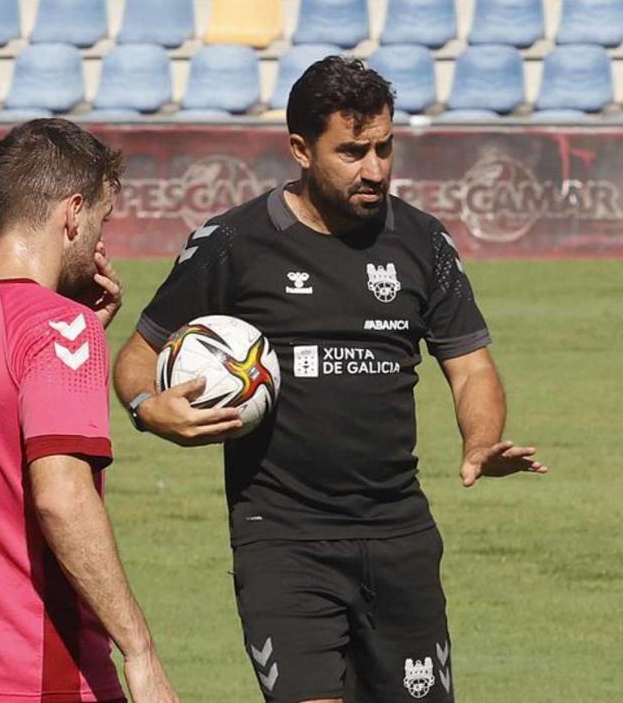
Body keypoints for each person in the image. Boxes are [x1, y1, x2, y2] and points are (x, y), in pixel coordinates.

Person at [113, 57, 546, 703]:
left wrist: (481, 439)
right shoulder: (233, 243)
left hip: (399, 536)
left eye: (384, 147)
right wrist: (149, 408)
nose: (374, 168)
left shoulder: (423, 244)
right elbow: (137, 355)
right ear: (300, 150)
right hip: (283, 542)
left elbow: (470, 368)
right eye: (352, 152)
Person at [0, 119, 177, 703]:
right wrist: (140, 652)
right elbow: (60, 497)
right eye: (102, 220)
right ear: (72, 213)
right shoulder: (57, 329)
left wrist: (79, 334)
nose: (101, 242)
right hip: (32, 678)